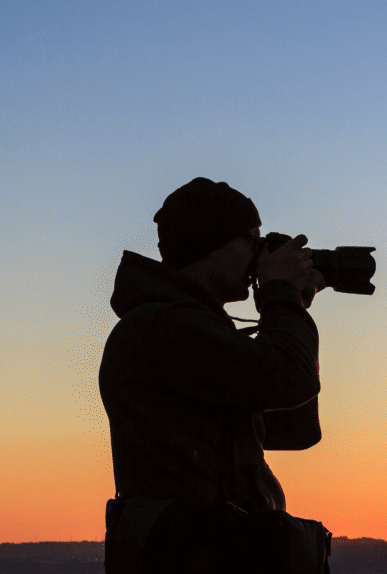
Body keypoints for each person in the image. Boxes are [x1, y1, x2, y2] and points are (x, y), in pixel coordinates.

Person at [99, 177, 330, 573]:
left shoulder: (195, 331)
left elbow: (295, 429)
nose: (261, 252)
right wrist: (279, 296)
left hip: (215, 553)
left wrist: (290, 306)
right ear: (212, 245)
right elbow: (289, 379)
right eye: (252, 238)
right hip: (194, 558)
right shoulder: (164, 327)